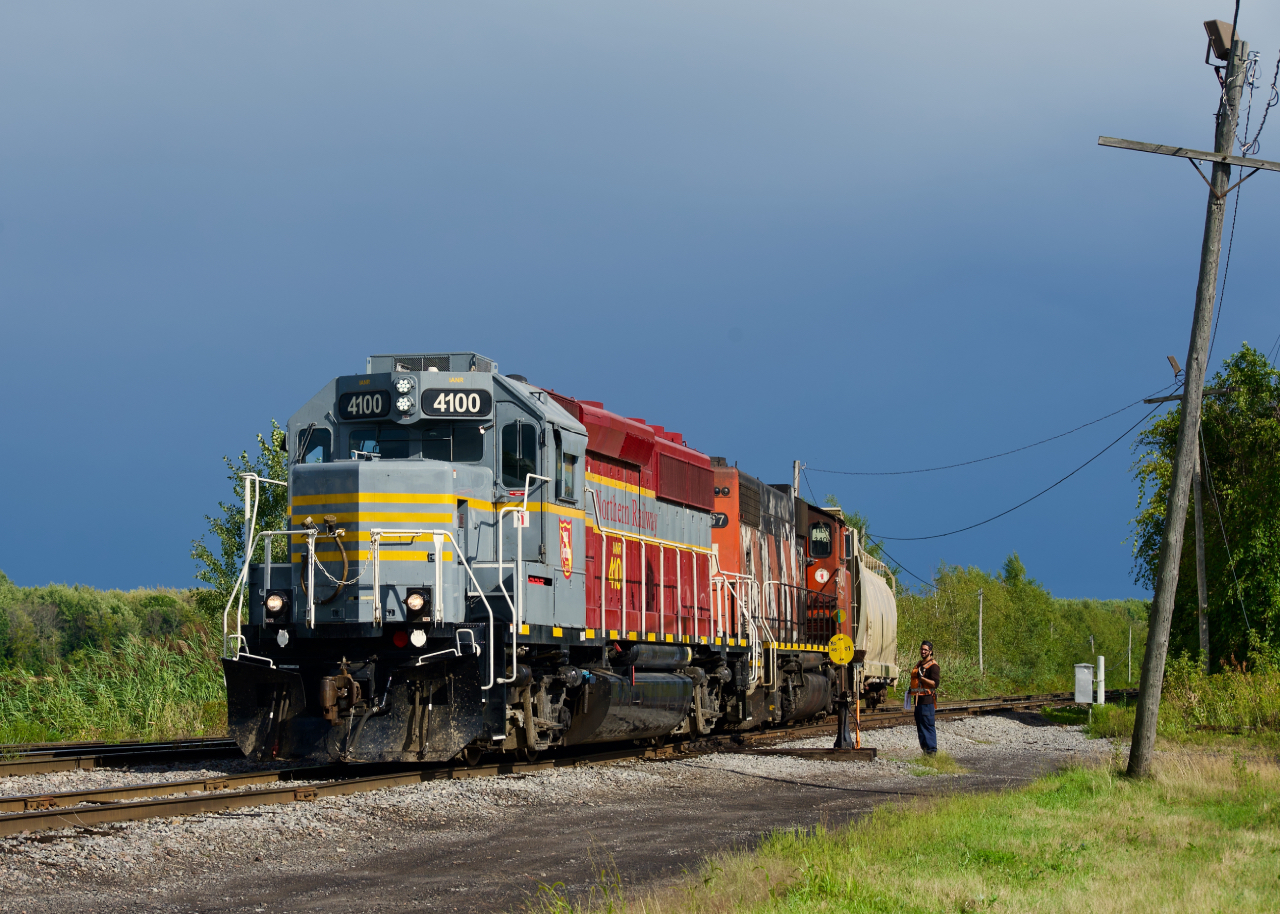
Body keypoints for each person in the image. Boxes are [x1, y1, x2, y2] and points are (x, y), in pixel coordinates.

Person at [910, 640, 941, 755]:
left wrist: (922, 678)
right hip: (918, 701)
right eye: (922, 649)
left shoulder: (933, 666)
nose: (923, 651)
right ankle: (925, 751)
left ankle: (931, 751)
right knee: (920, 727)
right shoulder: (919, 664)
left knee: (928, 726)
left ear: (930, 651)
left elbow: (935, 684)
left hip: (927, 701)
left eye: (925, 650)